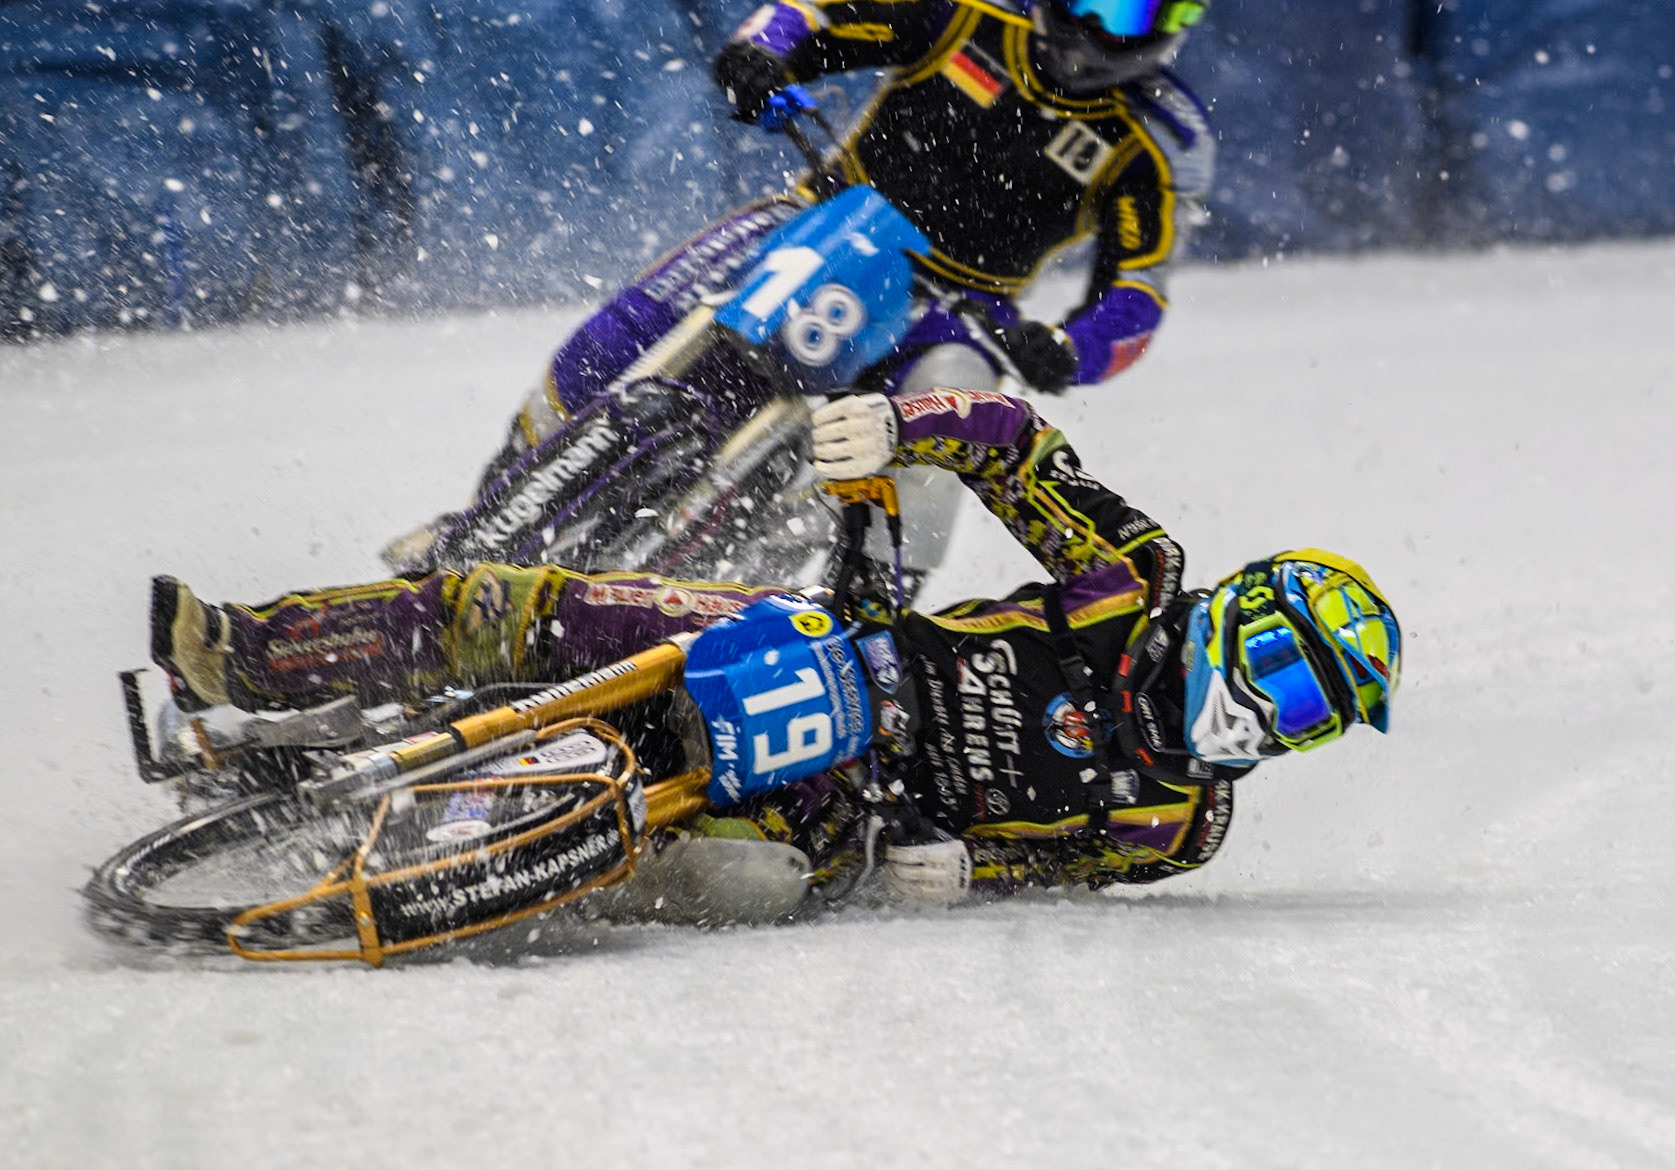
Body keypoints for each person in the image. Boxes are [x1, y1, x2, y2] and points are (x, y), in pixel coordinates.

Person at [154, 387, 1399, 904]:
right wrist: (901, 423)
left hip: (850, 808)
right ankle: (250, 656)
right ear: (1243, 617)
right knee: (530, 608)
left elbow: (1055, 869)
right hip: (842, 651)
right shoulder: (1135, 582)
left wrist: (965, 873)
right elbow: (1017, 446)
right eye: (1288, 677)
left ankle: (385, 861)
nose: (1275, 718)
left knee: (705, 881)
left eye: (1313, 719)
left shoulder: (1180, 828)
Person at [426, 0, 1216, 577]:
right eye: (1097, 0)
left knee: (950, 437)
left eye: (1135, 12)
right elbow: (813, 13)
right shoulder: (968, 15)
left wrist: (1064, 350)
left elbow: (1138, 299)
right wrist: (760, 58)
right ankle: (486, 510)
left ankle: (861, 620)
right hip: (825, 218)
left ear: (1178, 24)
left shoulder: (1159, 139)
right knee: (624, 331)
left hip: (957, 311)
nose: (1105, 25)